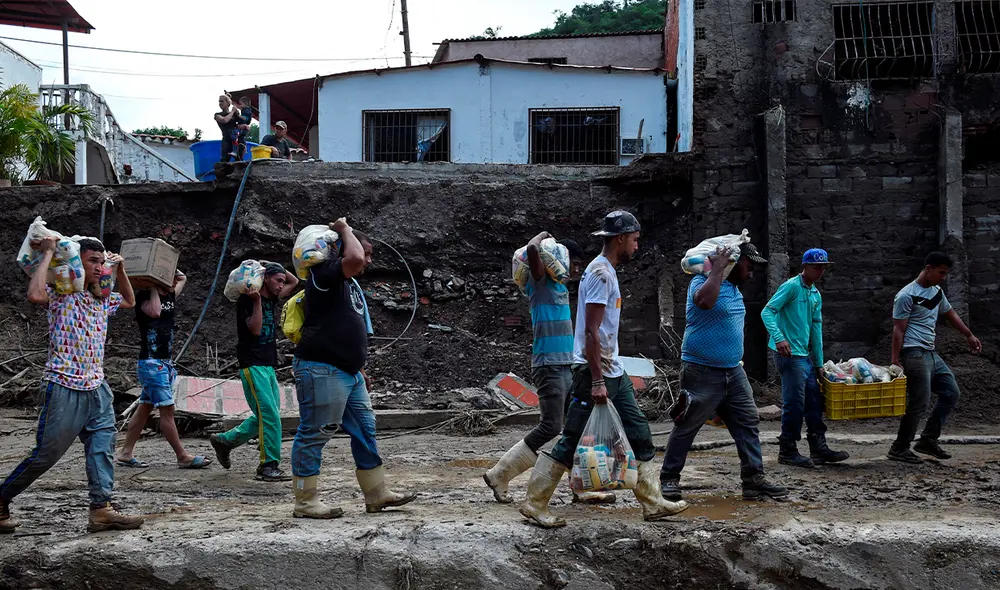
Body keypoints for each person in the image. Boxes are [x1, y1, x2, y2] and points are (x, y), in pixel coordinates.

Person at [519, 211, 689, 529]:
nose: (637, 246)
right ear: (620, 238)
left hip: (614, 371)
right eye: (634, 240)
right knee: (571, 439)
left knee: (639, 432)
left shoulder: (606, 271)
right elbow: (591, 331)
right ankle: (534, 502)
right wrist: (596, 380)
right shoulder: (600, 274)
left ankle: (652, 502)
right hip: (593, 372)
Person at [0, 238, 144, 534]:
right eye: (93, 261)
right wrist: (49, 253)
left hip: (97, 386)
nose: (99, 267)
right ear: (77, 263)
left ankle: (101, 509)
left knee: (102, 447)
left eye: (101, 262)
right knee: (46, 454)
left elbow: (129, 301)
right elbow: (35, 294)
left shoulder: (102, 298)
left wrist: (120, 270)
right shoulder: (63, 292)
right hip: (63, 385)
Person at [290, 220, 416, 519]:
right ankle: (305, 501)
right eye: (366, 252)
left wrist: (358, 368)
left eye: (370, 254)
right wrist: (344, 230)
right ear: (339, 250)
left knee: (364, 428)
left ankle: (376, 493)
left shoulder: (346, 284)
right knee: (315, 432)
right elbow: (355, 258)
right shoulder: (323, 275)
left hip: (348, 372)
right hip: (321, 368)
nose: (368, 260)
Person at [483, 232, 615, 505]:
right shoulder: (540, 282)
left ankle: (581, 487)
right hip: (549, 365)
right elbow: (533, 251)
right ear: (561, 260)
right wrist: (543, 236)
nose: (576, 270)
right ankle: (499, 474)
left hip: (566, 366)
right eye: (574, 263)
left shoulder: (559, 287)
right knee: (551, 426)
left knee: (573, 427)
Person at [659, 244, 787, 501]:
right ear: (733, 264)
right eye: (748, 267)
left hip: (733, 371)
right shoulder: (700, 283)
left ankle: (753, 480)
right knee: (688, 424)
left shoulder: (733, 289)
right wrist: (718, 268)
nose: (751, 274)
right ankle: (669, 478)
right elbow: (704, 302)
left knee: (747, 422)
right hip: (701, 370)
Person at [888, 252, 981, 463]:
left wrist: (969, 335)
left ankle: (928, 440)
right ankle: (899, 447)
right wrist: (895, 359)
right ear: (928, 268)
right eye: (941, 272)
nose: (943, 277)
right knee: (920, 401)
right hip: (913, 352)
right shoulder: (906, 295)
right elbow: (898, 329)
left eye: (946, 273)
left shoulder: (936, 292)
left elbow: (951, 314)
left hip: (931, 353)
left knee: (951, 392)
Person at [210, 262, 299, 482]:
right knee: (269, 416)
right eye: (277, 280)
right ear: (265, 279)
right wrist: (257, 300)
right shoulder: (247, 301)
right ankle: (268, 466)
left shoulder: (273, 298)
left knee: (266, 415)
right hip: (253, 364)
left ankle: (226, 441)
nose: (281, 285)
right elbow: (256, 329)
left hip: (267, 364)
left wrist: (269, 266)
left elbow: (295, 281)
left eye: (281, 281)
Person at [761, 248, 849, 468]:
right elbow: (767, 312)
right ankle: (787, 449)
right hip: (789, 355)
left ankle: (818, 447)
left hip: (804, 356)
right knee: (794, 402)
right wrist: (779, 338)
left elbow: (816, 330)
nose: (820, 271)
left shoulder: (815, 294)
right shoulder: (791, 287)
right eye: (817, 267)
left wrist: (819, 363)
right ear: (805, 266)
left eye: (823, 267)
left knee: (814, 400)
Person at [116, 269, 211, 470]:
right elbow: (155, 312)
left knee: (145, 407)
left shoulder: (169, 295)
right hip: (151, 364)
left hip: (164, 363)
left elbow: (183, 277)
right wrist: (152, 284)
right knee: (167, 410)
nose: (174, 281)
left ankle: (126, 453)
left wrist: (167, 269)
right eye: (168, 278)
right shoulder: (144, 298)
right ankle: (182, 456)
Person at [214, 94, 241, 162]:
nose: (220, 103)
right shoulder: (217, 115)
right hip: (226, 139)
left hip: (236, 139)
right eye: (219, 101)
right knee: (224, 159)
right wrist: (232, 111)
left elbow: (241, 122)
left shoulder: (234, 114)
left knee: (239, 159)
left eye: (222, 101)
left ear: (228, 103)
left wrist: (237, 114)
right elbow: (224, 120)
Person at [234, 96, 254, 161]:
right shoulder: (245, 111)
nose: (239, 106)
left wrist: (237, 116)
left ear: (245, 104)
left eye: (241, 104)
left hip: (242, 129)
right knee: (240, 138)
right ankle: (241, 150)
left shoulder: (246, 110)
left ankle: (240, 150)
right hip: (242, 127)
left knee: (238, 137)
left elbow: (244, 118)